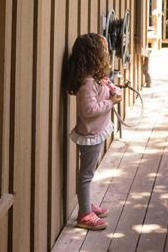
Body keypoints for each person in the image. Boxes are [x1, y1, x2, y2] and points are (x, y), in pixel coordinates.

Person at [62, 33, 122, 230]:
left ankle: (86, 205)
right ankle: (84, 214)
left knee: (89, 173)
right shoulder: (87, 82)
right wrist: (110, 102)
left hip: (96, 132)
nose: (106, 53)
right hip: (90, 135)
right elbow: (88, 111)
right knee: (86, 176)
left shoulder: (94, 78)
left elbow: (98, 98)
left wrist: (109, 90)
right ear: (93, 55)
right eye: (103, 50)